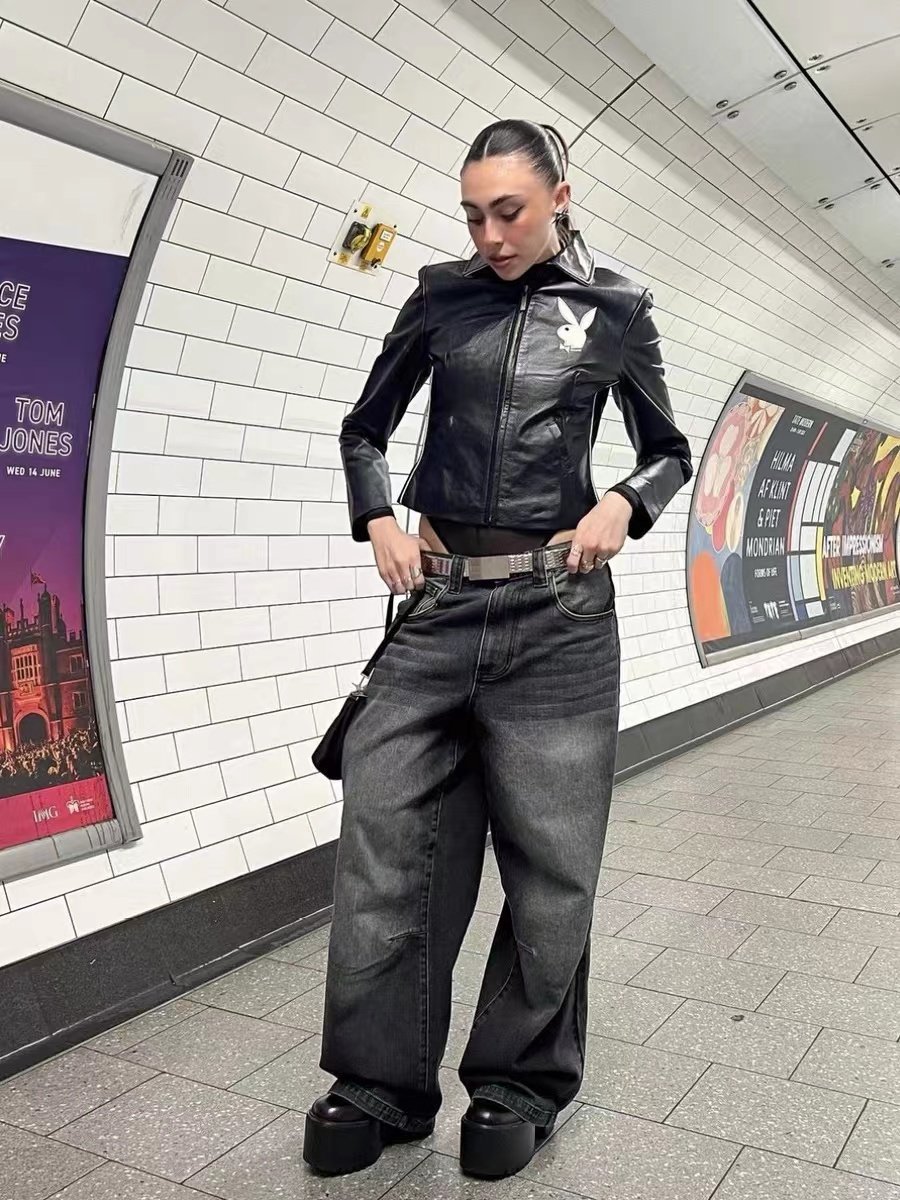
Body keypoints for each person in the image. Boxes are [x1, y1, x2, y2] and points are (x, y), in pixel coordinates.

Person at [303, 119, 692, 1180]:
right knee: (386, 846)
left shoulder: (618, 309)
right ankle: (380, 1084)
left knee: (550, 866)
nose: (489, 235)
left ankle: (519, 1083)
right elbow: (364, 426)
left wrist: (625, 502)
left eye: (508, 212)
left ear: (560, 196)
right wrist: (376, 517)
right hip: (435, 608)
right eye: (473, 215)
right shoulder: (440, 296)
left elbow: (668, 450)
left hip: (558, 616)